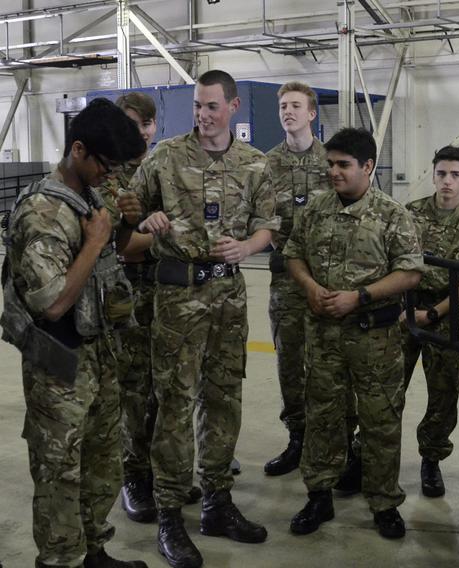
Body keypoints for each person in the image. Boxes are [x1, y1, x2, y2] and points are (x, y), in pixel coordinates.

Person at [129, 69, 278, 568]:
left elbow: (268, 225)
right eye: (197, 105)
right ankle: (170, 514)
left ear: (233, 107)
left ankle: (217, 501)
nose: (202, 115)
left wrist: (248, 245)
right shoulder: (166, 158)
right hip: (176, 296)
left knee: (224, 396)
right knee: (173, 402)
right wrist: (144, 221)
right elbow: (124, 212)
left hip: (230, 297)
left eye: (212, 106)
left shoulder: (255, 164)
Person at [1, 98, 148, 567]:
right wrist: (99, 238)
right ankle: (59, 559)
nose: (111, 175)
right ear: (78, 150)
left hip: (99, 352)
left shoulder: (90, 194)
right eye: (106, 165)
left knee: (103, 462)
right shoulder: (40, 213)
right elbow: (53, 302)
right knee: (60, 470)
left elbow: (116, 255)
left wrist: (122, 224)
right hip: (59, 361)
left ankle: (94, 550)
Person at [284, 127, 423, 539]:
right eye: (330, 164)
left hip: (375, 339)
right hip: (324, 336)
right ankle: (319, 496)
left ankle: (383, 503)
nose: (333, 172)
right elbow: (293, 254)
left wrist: (359, 297)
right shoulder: (315, 209)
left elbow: (411, 272)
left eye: (343, 165)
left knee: (380, 420)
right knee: (323, 416)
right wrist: (311, 289)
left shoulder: (391, 214)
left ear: (367, 167)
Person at [96, 91, 204, 523]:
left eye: (144, 124)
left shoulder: (164, 166)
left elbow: (186, 227)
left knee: (170, 390)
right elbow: (120, 244)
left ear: (154, 127)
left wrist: (153, 240)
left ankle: (165, 477)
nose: (138, 132)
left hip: (168, 293)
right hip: (126, 295)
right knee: (134, 390)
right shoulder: (109, 175)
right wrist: (161, 240)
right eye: (129, 124)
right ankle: (134, 478)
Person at [401, 146, 459, 497]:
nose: (447, 182)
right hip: (404, 310)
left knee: (445, 392)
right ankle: (368, 454)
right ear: (432, 175)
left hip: (442, 313)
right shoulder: (409, 214)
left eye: (455, 175)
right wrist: (406, 311)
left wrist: (433, 314)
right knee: (384, 389)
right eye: (441, 174)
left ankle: (431, 459)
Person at [262, 81, 332, 477]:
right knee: (290, 361)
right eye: (283, 106)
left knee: (330, 363)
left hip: (328, 279)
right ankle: (298, 438)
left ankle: (334, 440)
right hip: (287, 281)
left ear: (311, 113)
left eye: (295, 106)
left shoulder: (333, 162)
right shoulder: (266, 164)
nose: (288, 112)